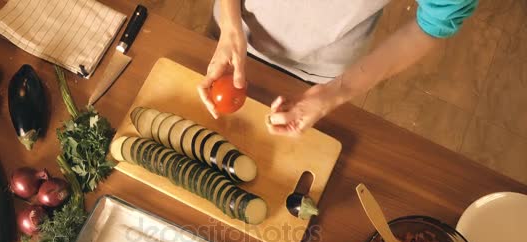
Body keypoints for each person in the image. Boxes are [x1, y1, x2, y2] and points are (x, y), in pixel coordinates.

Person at [197, 0, 478, 136]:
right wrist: (231, 24)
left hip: (323, 65)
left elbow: (432, 25)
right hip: (233, 29)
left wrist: (336, 92)